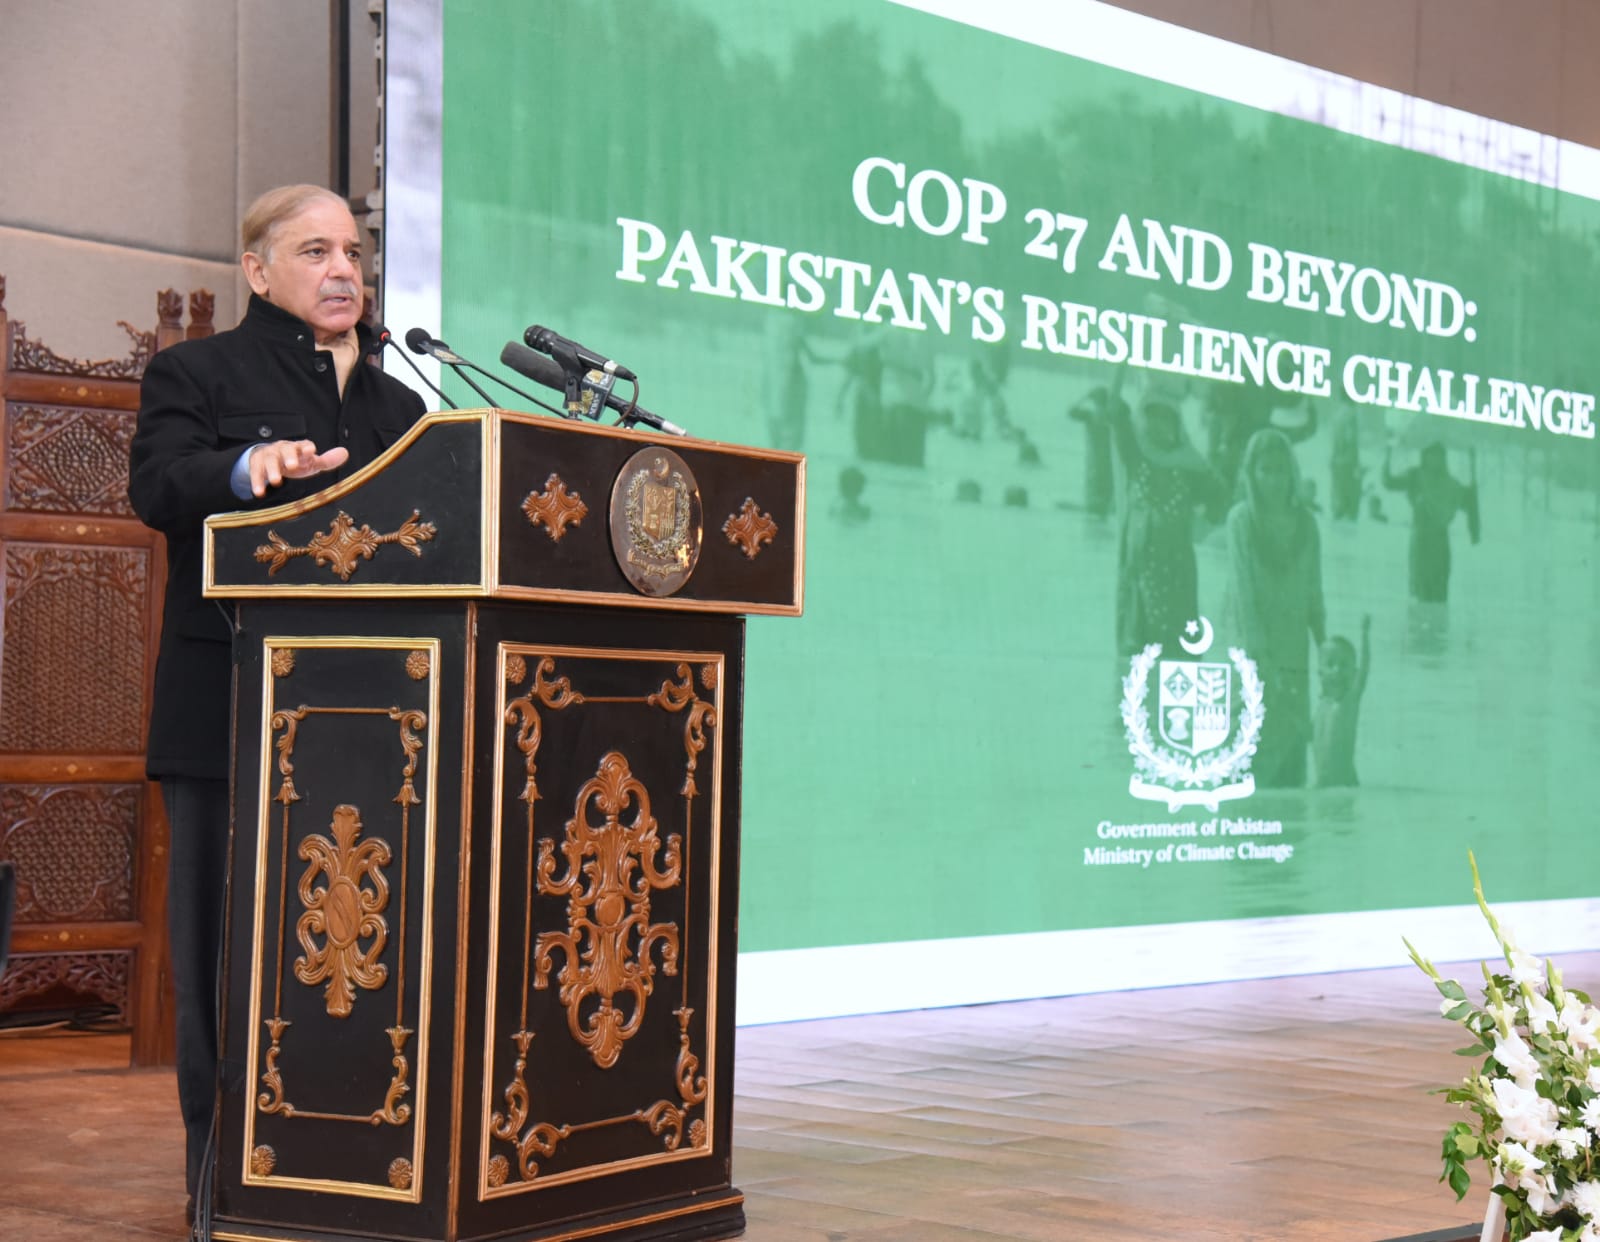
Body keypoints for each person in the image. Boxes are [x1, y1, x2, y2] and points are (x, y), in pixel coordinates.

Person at [127, 184, 426, 1217]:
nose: (344, 270)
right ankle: (224, 1187)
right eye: (315, 251)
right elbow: (158, 488)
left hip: (380, 730)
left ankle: (356, 1165)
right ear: (257, 270)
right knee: (220, 963)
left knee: (371, 954)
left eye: (353, 252)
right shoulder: (194, 372)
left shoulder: (402, 409)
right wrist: (251, 466)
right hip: (226, 710)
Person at [1224, 428, 1326, 787]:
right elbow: (1243, 596)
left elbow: (1315, 593)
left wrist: (1324, 645)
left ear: (1291, 473)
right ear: (1251, 474)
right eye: (1264, 470)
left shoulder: (1307, 525)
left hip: (1294, 655)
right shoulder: (1241, 522)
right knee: (1244, 767)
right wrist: (1260, 657)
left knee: (1289, 775)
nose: (1273, 479)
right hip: (1252, 657)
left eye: (1280, 470)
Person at [1382, 441, 1480, 603]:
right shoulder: (1415, 476)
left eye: (1440, 456)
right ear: (1425, 456)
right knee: (1419, 593)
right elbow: (1389, 483)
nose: (1436, 459)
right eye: (1432, 455)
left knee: (1440, 595)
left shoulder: (1450, 484)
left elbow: (1469, 502)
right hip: (1421, 544)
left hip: (1441, 545)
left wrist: (1473, 465)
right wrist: (1388, 453)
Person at [1314, 615, 1371, 788]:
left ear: (1354, 672)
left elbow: (1365, 670)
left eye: (1344, 665)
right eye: (1330, 664)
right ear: (1320, 672)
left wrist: (1364, 635)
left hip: (1346, 783)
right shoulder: (1321, 706)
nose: (1337, 670)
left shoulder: (1350, 700)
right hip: (1322, 783)